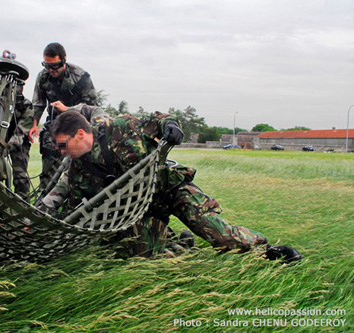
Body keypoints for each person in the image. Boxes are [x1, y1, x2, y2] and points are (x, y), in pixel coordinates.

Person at [42, 111, 303, 263]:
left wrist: (171, 125)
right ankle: (180, 243)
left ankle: (266, 250)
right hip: (140, 210)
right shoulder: (77, 170)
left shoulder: (119, 127)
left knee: (221, 238)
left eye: (63, 145)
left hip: (168, 189)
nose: (61, 152)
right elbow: (74, 208)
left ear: (79, 134)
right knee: (140, 257)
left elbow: (158, 119)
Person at [28, 42, 98, 191]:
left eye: (55, 66)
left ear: (64, 60)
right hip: (55, 129)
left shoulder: (80, 77)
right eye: (46, 65)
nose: (51, 70)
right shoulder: (43, 77)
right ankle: (44, 201)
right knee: (49, 169)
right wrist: (34, 124)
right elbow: (38, 103)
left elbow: (92, 108)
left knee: (81, 169)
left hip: (77, 131)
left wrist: (67, 109)